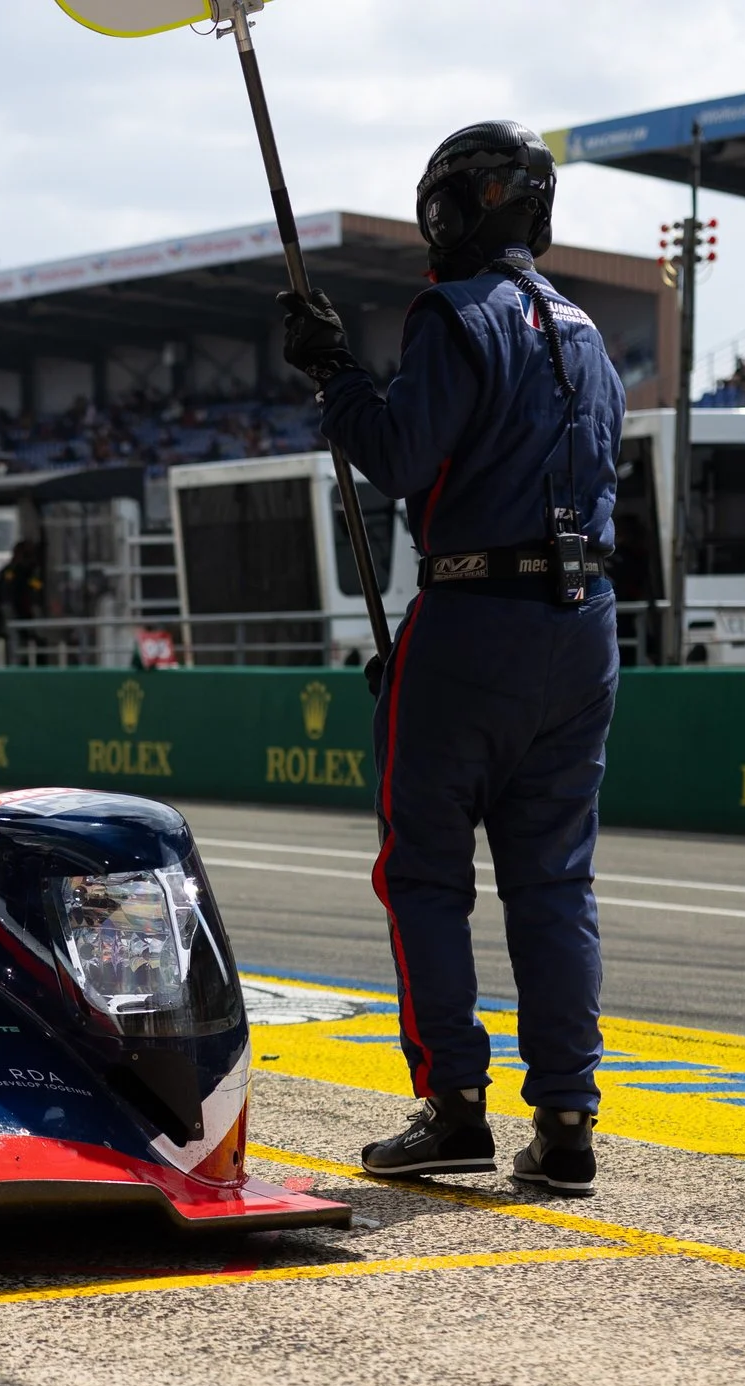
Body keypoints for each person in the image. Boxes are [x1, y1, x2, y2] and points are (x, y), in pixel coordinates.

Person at [278, 121, 624, 1196]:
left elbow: (393, 454)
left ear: (454, 210)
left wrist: (334, 371)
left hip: (471, 615)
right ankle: (566, 1121)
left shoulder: (453, 314)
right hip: (584, 624)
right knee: (553, 879)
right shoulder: (588, 332)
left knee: (424, 872)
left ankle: (454, 1105)